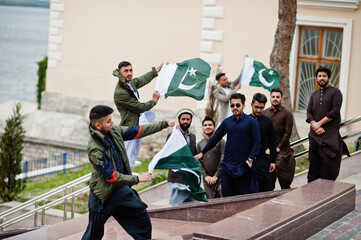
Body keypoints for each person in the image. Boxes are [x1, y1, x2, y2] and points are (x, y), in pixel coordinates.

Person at [82, 105, 174, 240]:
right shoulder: (94, 148)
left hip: (121, 191)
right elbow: (111, 176)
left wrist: (164, 124)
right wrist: (137, 179)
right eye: (108, 121)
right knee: (93, 234)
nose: (112, 123)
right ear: (98, 125)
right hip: (103, 196)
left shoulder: (114, 131)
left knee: (141, 218)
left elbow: (136, 131)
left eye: (111, 119)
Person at [196, 93, 261, 197]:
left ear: (244, 106)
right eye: (232, 105)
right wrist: (202, 153)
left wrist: (250, 159)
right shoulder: (227, 122)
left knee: (242, 197)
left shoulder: (252, 122)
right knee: (226, 196)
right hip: (228, 166)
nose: (234, 108)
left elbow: (257, 142)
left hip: (243, 166)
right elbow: (215, 138)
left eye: (237, 105)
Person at [306, 66, 345, 182]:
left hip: (329, 137)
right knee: (313, 168)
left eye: (324, 76)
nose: (321, 78)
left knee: (329, 169)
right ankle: (311, 197)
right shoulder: (314, 95)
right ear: (316, 79)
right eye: (319, 76)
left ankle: (326, 195)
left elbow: (334, 112)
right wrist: (314, 125)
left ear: (328, 78)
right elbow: (309, 112)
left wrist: (319, 124)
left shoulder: (336, 92)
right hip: (314, 137)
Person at [113, 61, 164, 126]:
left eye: (131, 70)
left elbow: (142, 79)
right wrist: (154, 100)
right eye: (126, 71)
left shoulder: (129, 83)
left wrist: (157, 70)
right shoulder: (121, 93)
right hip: (129, 128)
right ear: (120, 73)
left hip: (137, 124)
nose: (129, 73)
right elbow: (141, 108)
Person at [263, 87, 295, 189]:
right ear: (270, 98)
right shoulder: (264, 113)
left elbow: (287, 133)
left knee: (279, 168)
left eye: (278, 97)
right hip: (267, 149)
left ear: (282, 99)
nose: (275, 99)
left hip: (282, 150)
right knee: (267, 175)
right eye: (273, 97)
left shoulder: (287, 114)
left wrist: (278, 147)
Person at [167, 108, 197, 204]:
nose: (185, 121)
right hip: (177, 178)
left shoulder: (193, 137)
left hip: (190, 178)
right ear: (179, 120)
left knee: (193, 206)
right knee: (176, 206)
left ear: (191, 121)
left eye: (187, 119)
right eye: (183, 119)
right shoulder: (172, 136)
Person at [249, 93, 277, 192]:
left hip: (262, 159)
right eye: (256, 107)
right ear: (251, 105)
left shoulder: (268, 122)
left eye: (261, 108)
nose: (258, 110)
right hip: (247, 160)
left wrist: (273, 160)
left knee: (266, 187)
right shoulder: (245, 120)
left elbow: (273, 142)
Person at [196, 116, 225, 199]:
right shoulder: (199, 144)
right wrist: (206, 176)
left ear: (214, 127)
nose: (207, 127)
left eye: (210, 125)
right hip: (207, 181)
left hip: (220, 178)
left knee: (222, 201)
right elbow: (198, 162)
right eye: (205, 125)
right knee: (210, 203)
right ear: (202, 128)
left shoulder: (221, 141)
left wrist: (216, 176)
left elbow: (223, 158)